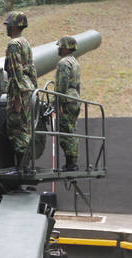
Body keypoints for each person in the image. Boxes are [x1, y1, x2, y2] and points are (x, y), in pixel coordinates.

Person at [3, 11, 38, 173]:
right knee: (26, 127)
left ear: (14, 26)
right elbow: (31, 69)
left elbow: (16, 72)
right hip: (28, 87)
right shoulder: (26, 43)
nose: (7, 28)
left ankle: (22, 167)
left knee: (16, 128)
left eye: (8, 25)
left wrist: (16, 98)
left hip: (19, 89)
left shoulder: (13, 45)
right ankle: (26, 165)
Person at [55, 36, 81, 171]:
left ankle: (70, 164)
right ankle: (72, 163)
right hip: (75, 100)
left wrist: (58, 102)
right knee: (72, 131)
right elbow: (78, 85)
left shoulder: (64, 63)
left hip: (66, 100)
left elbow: (62, 84)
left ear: (65, 48)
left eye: (60, 46)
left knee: (65, 133)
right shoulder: (75, 62)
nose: (58, 48)